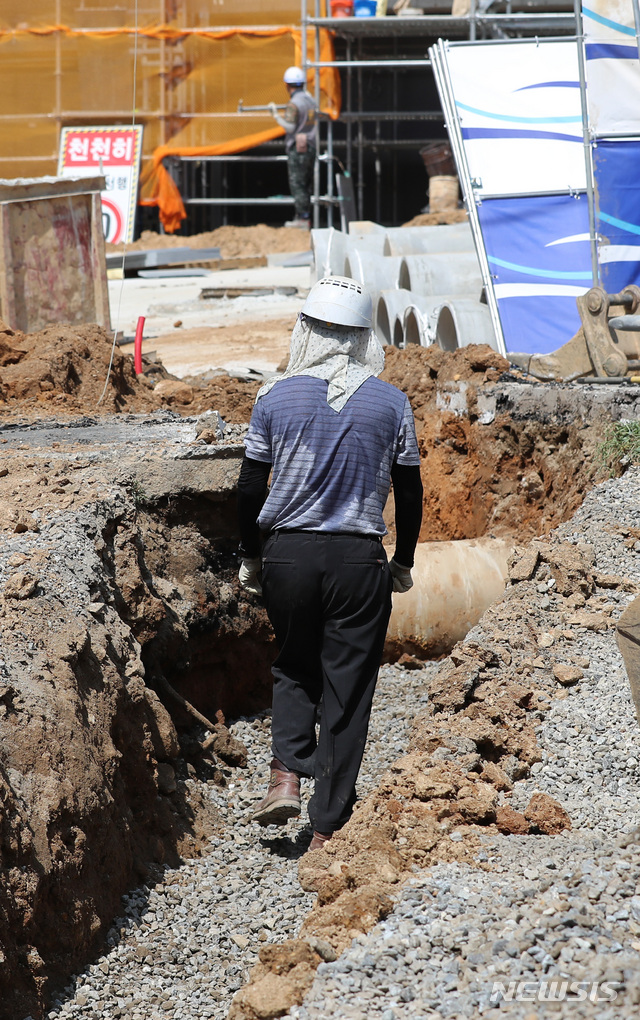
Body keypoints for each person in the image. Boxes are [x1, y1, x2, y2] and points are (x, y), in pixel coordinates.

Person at [236, 276, 423, 852]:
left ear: (306, 330)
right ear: (364, 337)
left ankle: (287, 774)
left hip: (287, 555)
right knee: (348, 690)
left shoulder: (273, 396)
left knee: (293, 664)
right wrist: (403, 559)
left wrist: (250, 553)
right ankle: (326, 828)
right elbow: (410, 490)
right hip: (357, 561)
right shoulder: (391, 402)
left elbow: (249, 487)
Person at [269, 65, 317, 229]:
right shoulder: (311, 101)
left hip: (299, 147)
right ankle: (306, 216)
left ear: (287, 85)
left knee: (298, 184)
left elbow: (289, 127)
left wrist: (276, 116)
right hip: (311, 145)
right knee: (307, 184)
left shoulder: (294, 103)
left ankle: (302, 218)